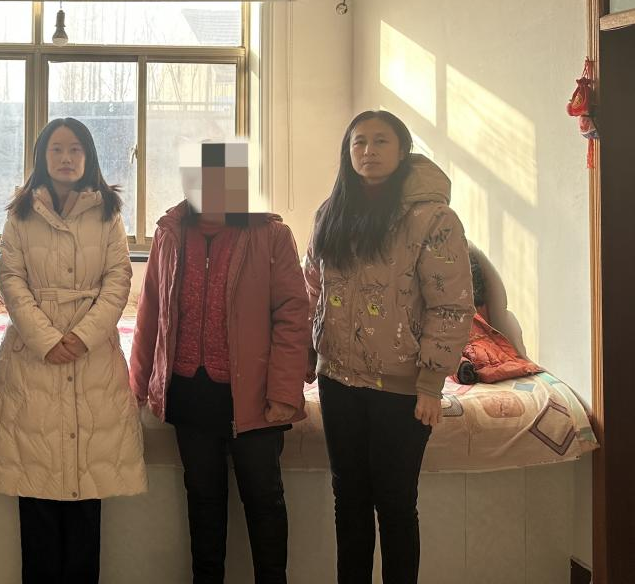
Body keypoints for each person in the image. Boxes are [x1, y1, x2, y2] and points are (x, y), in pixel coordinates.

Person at [0, 118, 146, 584]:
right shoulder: (20, 213)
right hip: (32, 361)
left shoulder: (109, 213)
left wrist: (83, 335)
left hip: (94, 360)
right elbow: (10, 278)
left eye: (75, 149)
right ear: (42, 157)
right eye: (56, 150)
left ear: (88, 156)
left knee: (88, 498)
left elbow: (119, 280)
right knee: (36, 497)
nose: (66, 158)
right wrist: (47, 339)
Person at [129, 140, 310, 584]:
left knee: (264, 500)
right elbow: (151, 310)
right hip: (190, 392)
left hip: (255, 394)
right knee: (203, 501)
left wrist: (285, 392)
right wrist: (137, 384)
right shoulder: (170, 233)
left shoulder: (270, 235)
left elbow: (293, 316)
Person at [304, 110, 474, 584]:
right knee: (348, 499)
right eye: (359, 142)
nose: (369, 151)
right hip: (338, 381)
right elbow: (312, 287)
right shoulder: (330, 212)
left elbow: (452, 304)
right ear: (347, 153)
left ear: (402, 151)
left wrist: (431, 383)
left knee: (395, 504)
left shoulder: (434, 219)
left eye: (381, 141)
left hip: (401, 389)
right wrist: (308, 352)